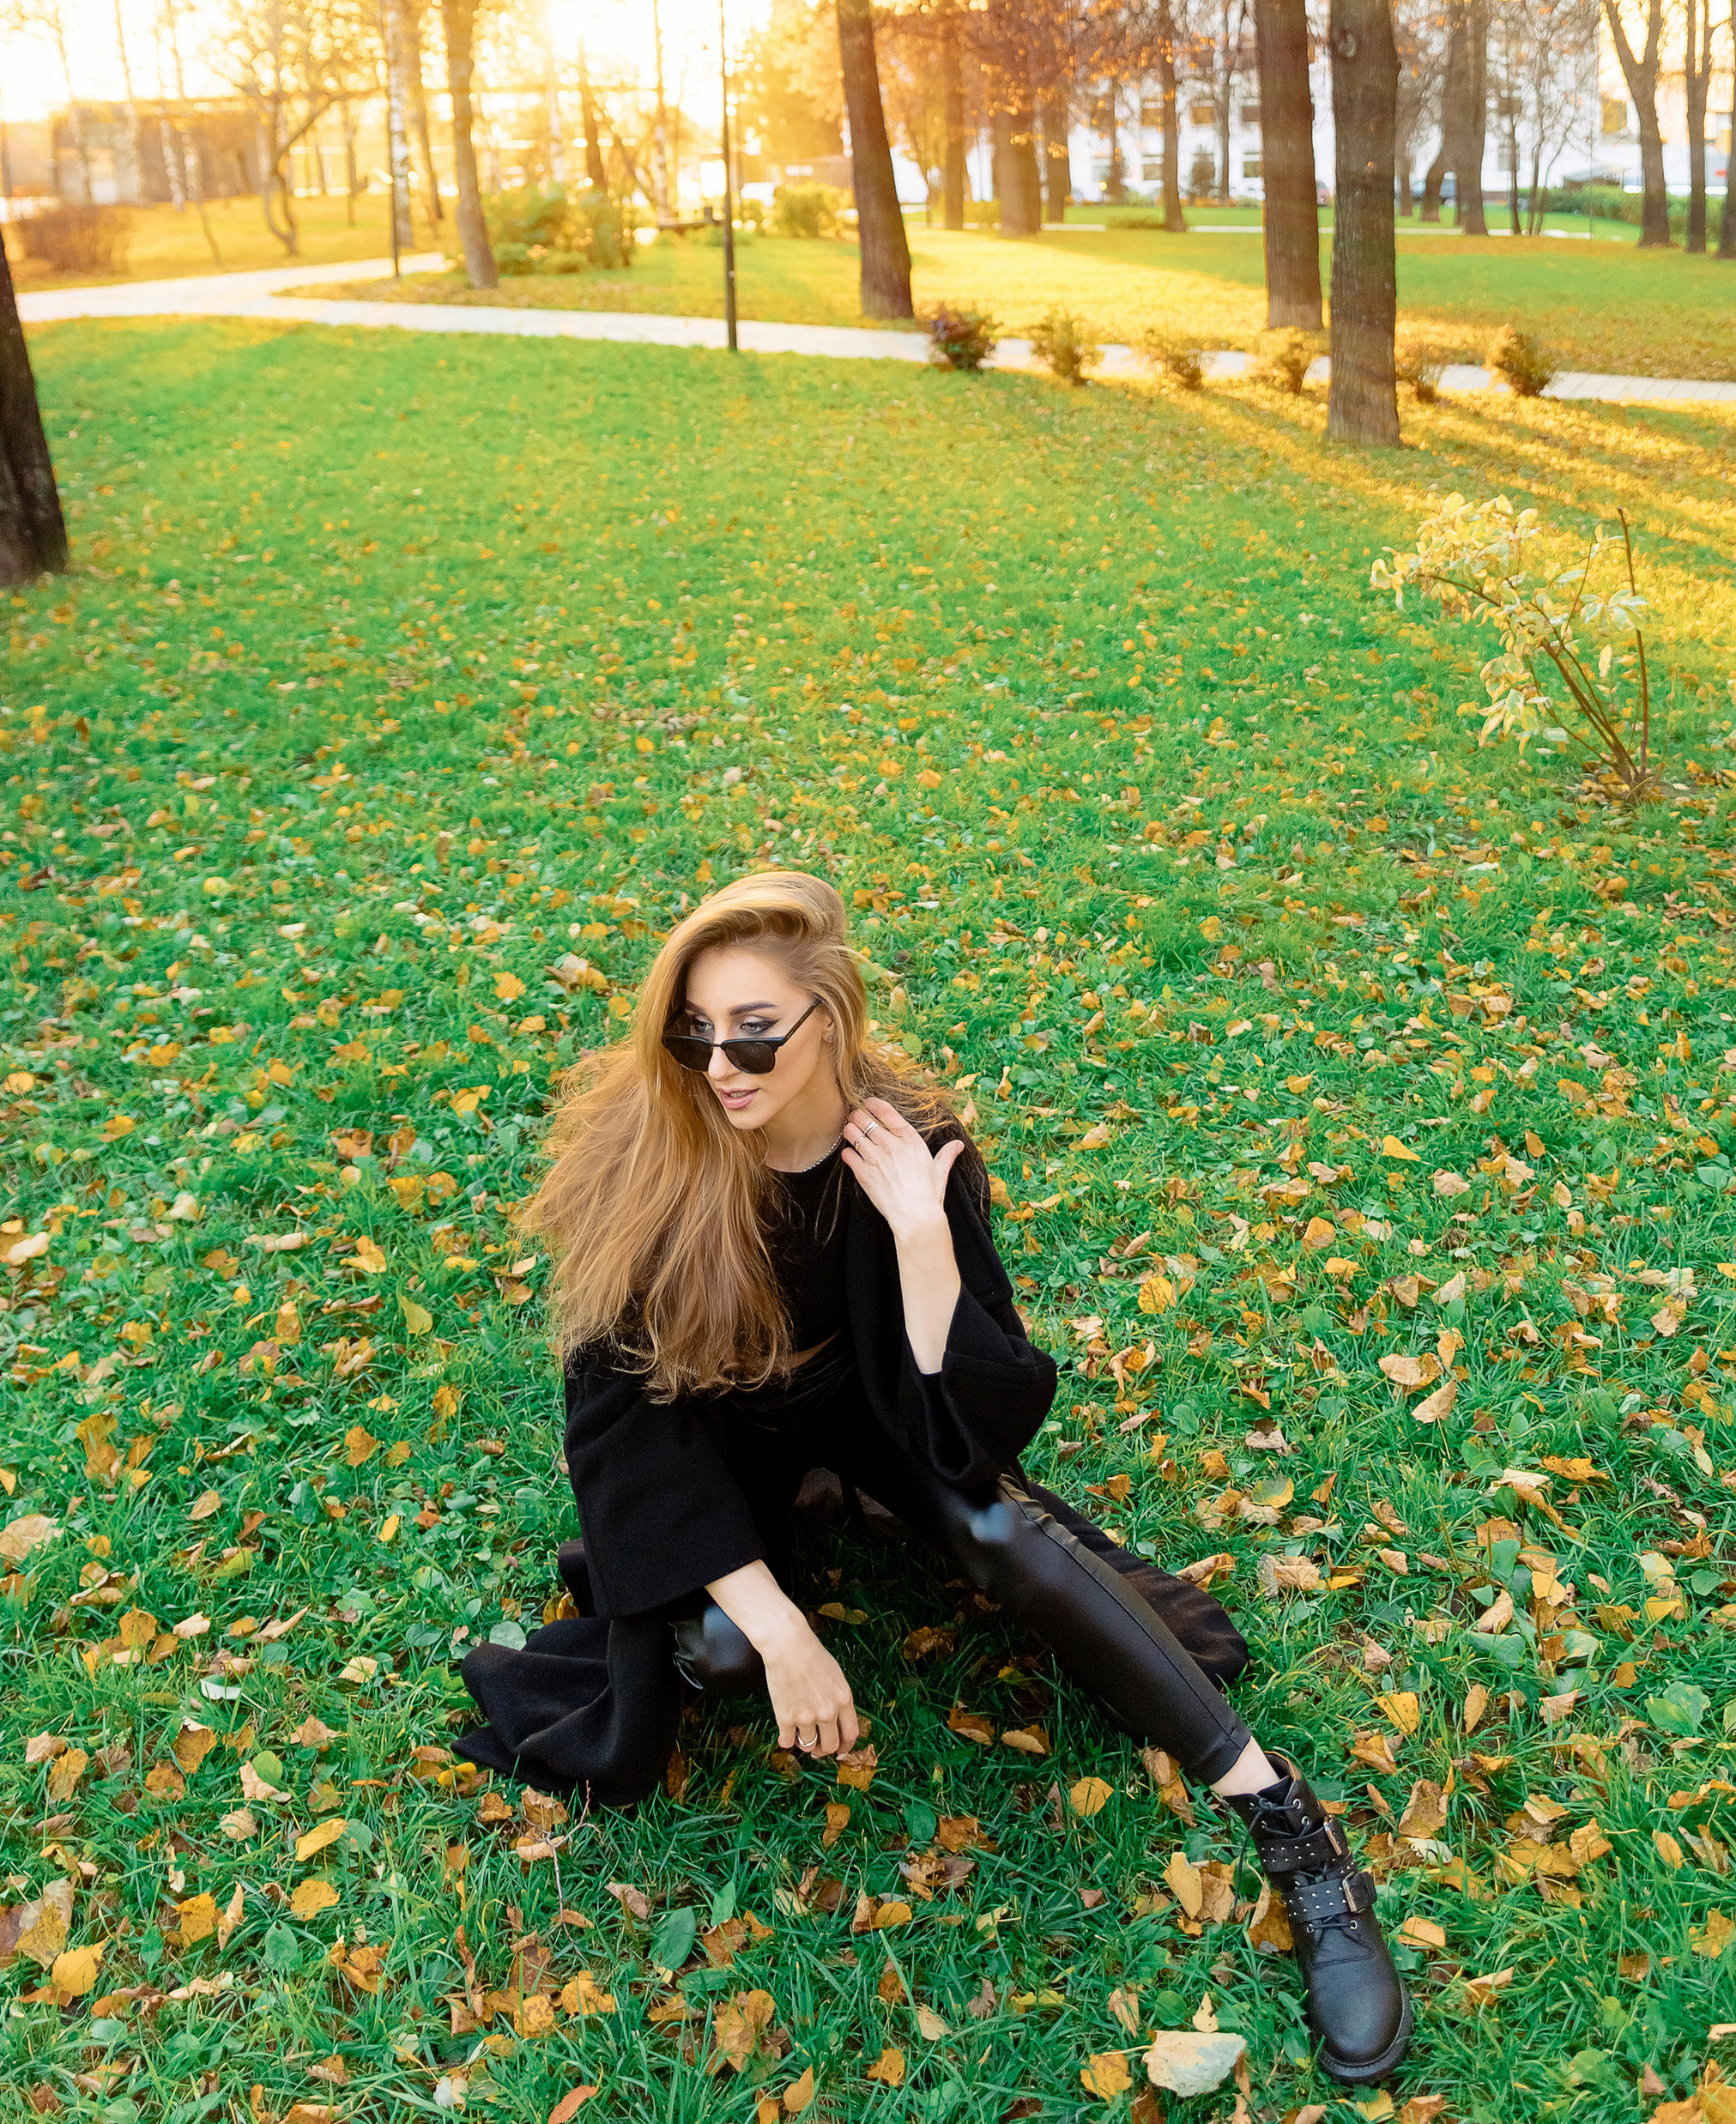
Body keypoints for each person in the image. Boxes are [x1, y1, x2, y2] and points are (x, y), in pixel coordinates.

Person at [454, 871, 1411, 2089]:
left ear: (832, 1020)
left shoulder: (914, 1147)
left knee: (1002, 1532)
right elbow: (624, 1431)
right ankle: (770, 1564)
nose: (719, 1062)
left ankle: (1293, 1829)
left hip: (879, 1404)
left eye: (753, 1031)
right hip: (721, 1438)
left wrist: (917, 1236)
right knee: (733, 1656)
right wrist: (782, 1623)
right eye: (694, 1030)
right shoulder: (659, 1152)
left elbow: (979, 1409)